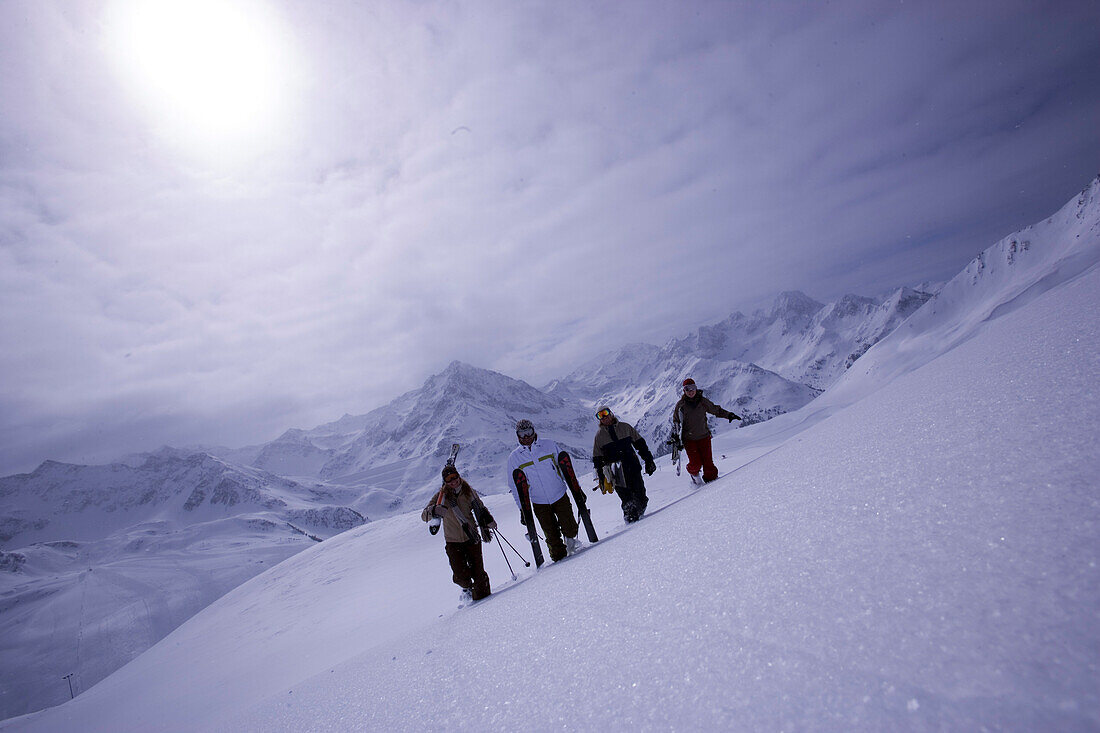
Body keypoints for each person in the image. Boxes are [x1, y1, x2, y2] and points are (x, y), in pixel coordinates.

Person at [506, 419, 581, 561]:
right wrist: (522, 509)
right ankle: (559, 562)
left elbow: (566, 469)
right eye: (522, 434)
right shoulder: (514, 458)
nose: (526, 437)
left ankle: (571, 543)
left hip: (559, 494)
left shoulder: (548, 445)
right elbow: (515, 487)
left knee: (570, 528)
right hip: (539, 502)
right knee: (552, 538)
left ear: (534, 431)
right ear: (518, 436)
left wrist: (577, 489)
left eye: (528, 432)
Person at [422, 465, 497, 602]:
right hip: (453, 541)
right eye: (449, 479)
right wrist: (434, 510)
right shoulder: (440, 497)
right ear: (445, 481)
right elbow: (424, 516)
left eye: (454, 477)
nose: (453, 481)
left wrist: (489, 521)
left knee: (478, 574)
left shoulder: (469, 492)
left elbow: (480, 508)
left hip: (471, 537)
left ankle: (484, 603)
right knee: (461, 576)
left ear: (458, 476)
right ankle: (467, 588)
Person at [592, 406, 656, 523]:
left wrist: (648, 460)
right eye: (600, 415)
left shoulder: (625, 427)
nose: (604, 417)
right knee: (627, 501)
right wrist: (601, 477)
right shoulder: (599, 436)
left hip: (633, 467)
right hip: (616, 473)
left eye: (605, 413)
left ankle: (640, 517)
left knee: (641, 496)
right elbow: (597, 458)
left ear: (611, 413)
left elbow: (640, 444)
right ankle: (631, 523)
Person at [671, 378, 741, 484]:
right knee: (695, 464)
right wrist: (676, 435)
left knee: (709, 465)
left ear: (696, 388)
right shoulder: (681, 405)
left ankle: (712, 486)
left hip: (704, 437)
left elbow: (715, 410)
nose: (691, 391)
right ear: (684, 391)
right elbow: (676, 421)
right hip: (689, 440)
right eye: (687, 389)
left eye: (693, 388)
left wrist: (728, 415)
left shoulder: (702, 401)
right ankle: (694, 476)